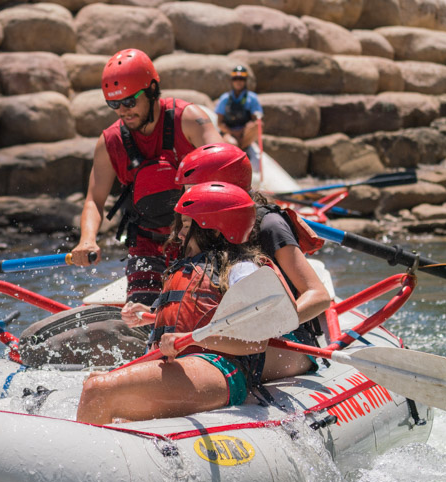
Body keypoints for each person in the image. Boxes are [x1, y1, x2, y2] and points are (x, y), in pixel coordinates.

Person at [76, 182, 273, 425]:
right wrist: (151, 315)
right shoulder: (188, 267)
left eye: (187, 226)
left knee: (98, 390)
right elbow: (189, 315)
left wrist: (193, 337)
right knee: (95, 386)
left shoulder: (241, 270)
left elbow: (256, 342)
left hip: (220, 368)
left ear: (214, 229)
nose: (179, 234)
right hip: (177, 364)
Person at [70, 48, 224, 308]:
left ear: (152, 89)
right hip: (147, 246)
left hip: (200, 238)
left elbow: (226, 166)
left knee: (195, 311)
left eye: (130, 102)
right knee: (141, 319)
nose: (122, 111)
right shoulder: (109, 142)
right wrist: (87, 239)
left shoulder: (189, 120)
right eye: (114, 104)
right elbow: (94, 201)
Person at [175, 143, 331, 381]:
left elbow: (317, 295)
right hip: (227, 333)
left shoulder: (269, 225)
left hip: (281, 338)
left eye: (195, 189)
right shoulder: (196, 226)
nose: (188, 198)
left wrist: (265, 326)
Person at [214, 65, 263, 152]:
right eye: (235, 78)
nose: (238, 81)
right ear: (232, 81)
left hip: (244, 133)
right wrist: (233, 133)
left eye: (241, 79)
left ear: (245, 81)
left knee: (258, 125)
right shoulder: (225, 98)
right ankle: (236, 148)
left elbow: (256, 120)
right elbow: (220, 123)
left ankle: (242, 147)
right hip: (229, 132)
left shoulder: (252, 98)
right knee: (232, 143)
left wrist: (242, 131)